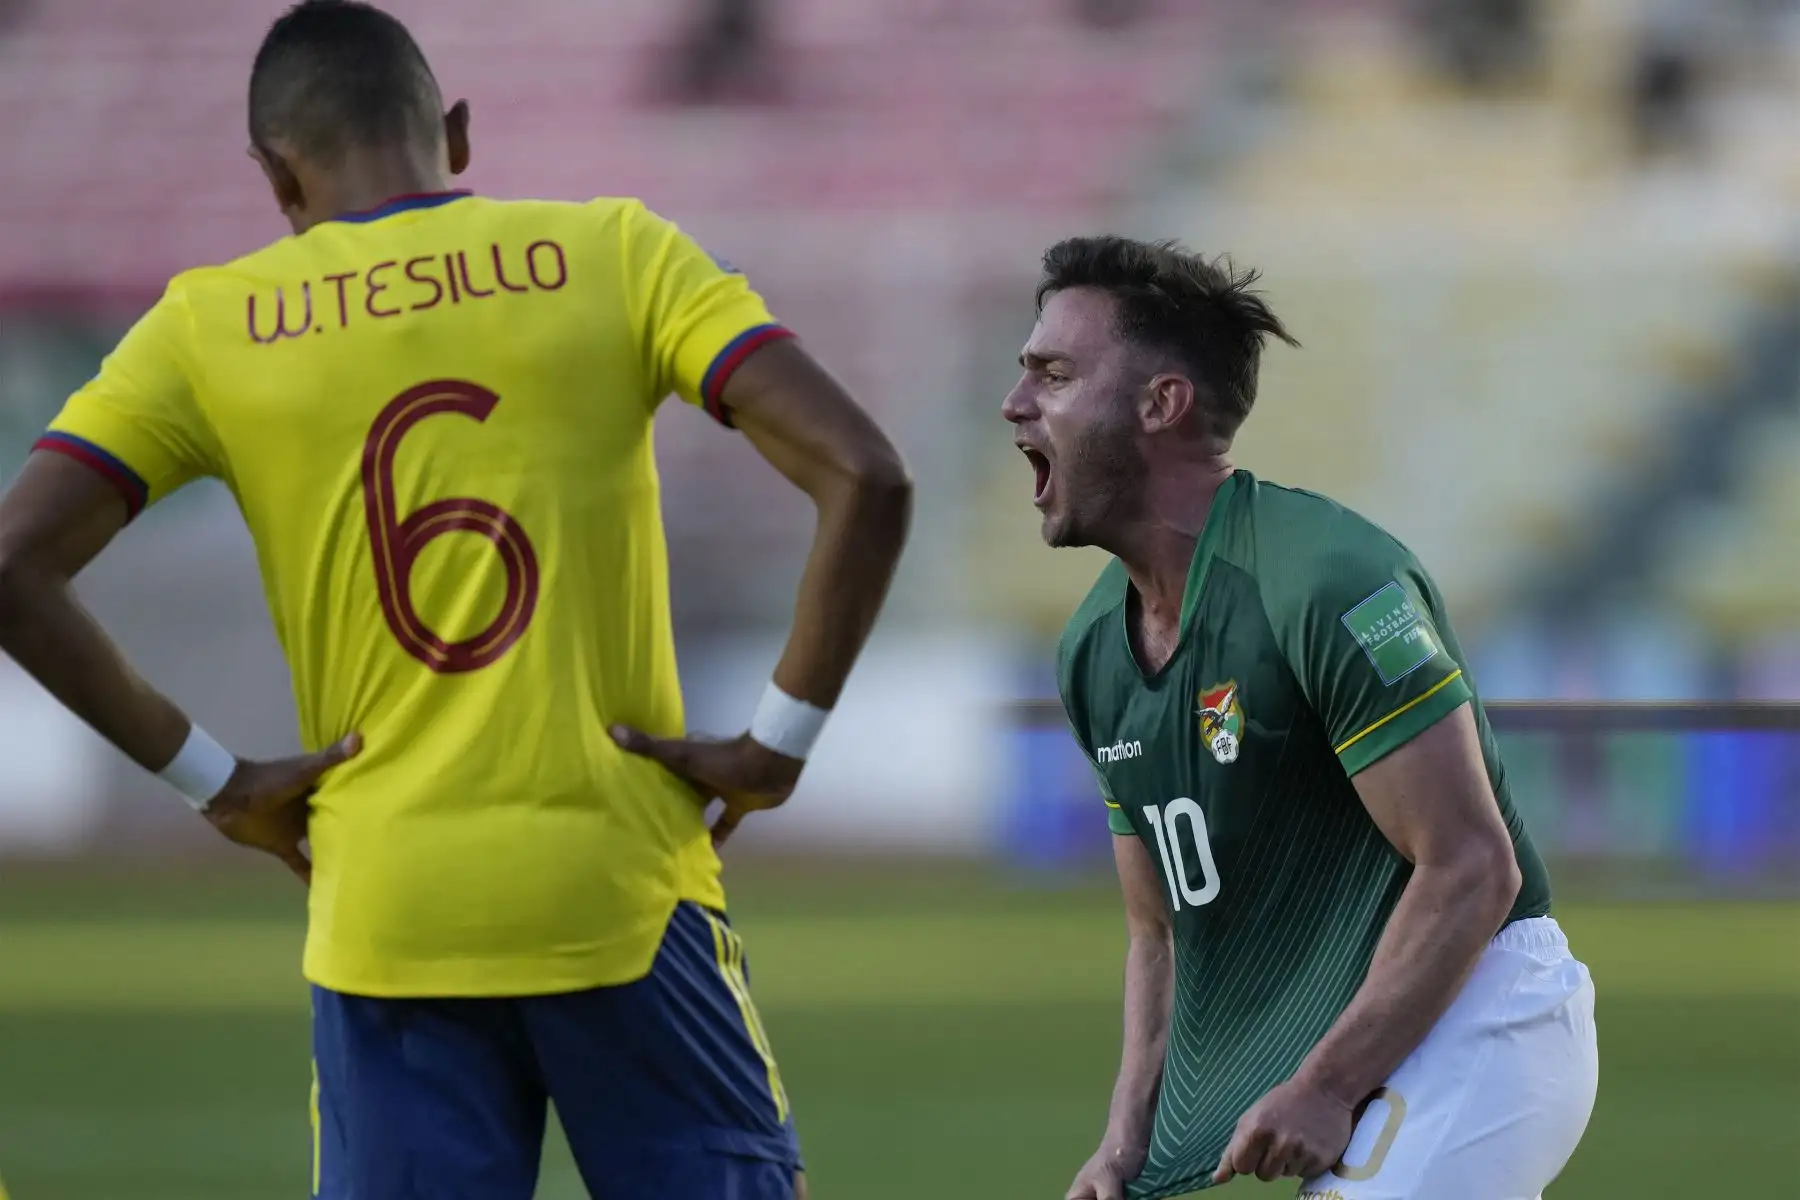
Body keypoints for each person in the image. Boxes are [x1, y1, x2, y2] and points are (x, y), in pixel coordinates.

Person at [0, 2, 911, 1197]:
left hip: (386, 912)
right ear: (461, 134)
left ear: (276, 179)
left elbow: (13, 563)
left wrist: (216, 784)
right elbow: (867, 472)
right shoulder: (614, 251)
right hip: (620, 891)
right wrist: (779, 745)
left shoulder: (206, 327)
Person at [1002, 236, 1596, 1200]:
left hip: (1482, 1014)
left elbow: (1475, 867)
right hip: (1358, 1035)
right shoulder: (1090, 653)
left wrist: (1325, 1087)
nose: (1016, 403)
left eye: (1055, 373)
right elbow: (1157, 935)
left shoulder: (1325, 579)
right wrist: (1121, 1149)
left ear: (1161, 404)